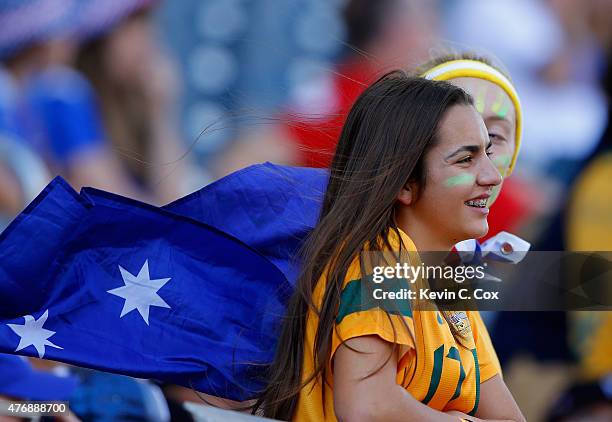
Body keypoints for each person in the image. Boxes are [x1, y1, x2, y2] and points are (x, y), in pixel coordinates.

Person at [250, 73, 525, 421]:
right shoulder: (380, 261)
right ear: (405, 184)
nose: (492, 176)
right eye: (465, 160)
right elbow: (367, 406)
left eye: (487, 152)